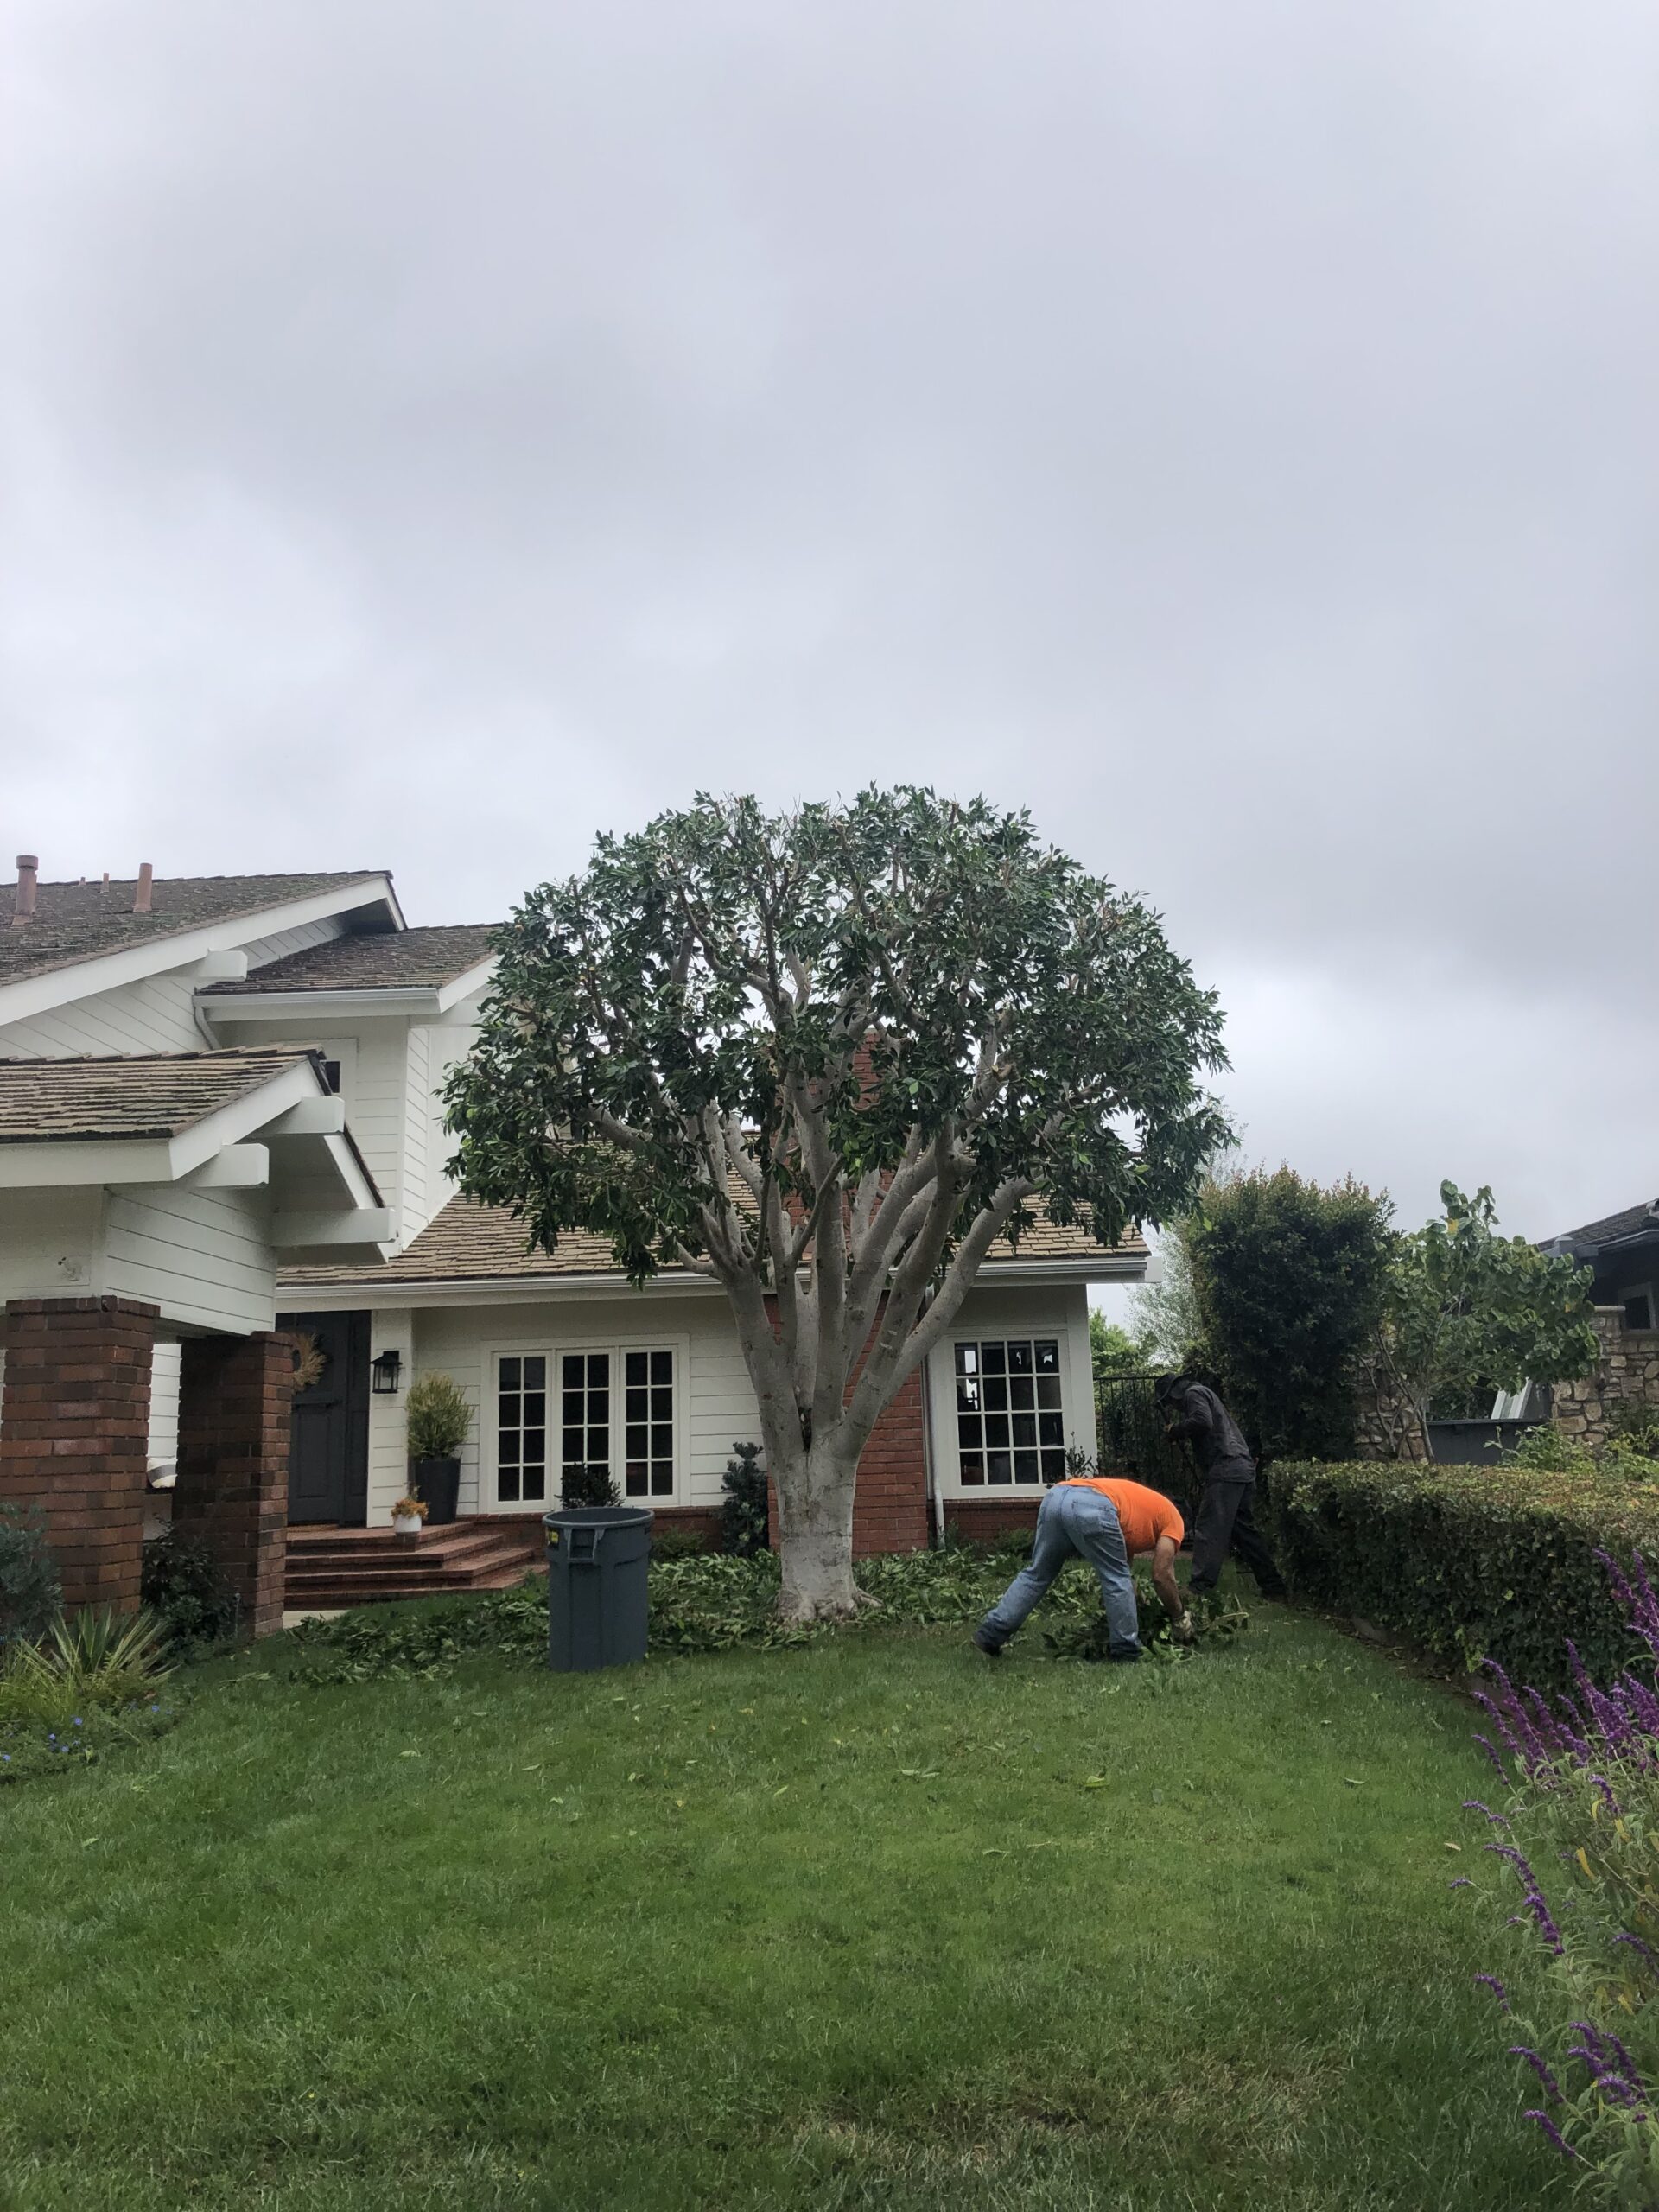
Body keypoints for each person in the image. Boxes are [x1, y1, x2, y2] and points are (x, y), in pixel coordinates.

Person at [972, 1473, 1193, 1661]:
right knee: (1115, 1579)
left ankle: (992, 1633)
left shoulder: (1145, 1509)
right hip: (1093, 1505)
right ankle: (1126, 1650)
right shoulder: (1174, 1518)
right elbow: (1161, 1575)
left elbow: (1123, 1564)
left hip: (1056, 1497)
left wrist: (1135, 1601)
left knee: (1037, 1574)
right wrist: (1179, 1616)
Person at [1154, 1372, 1287, 1602]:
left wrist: (1176, 1430)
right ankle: (1274, 1587)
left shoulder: (1193, 1394)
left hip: (1226, 1467)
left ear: (1174, 1392)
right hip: (1241, 1467)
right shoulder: (1203, 1393)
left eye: (1169, 1401)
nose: (1173, 1406)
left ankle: (1199, 1587)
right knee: (1245, 1532)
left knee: (1209, 1526)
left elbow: (1202, 1422)